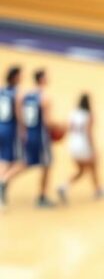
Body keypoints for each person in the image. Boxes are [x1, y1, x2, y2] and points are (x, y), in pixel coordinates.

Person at [0, 68, 58, 208]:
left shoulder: (25, 95)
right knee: (46, 164)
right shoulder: (44, 97)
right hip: (39, 136)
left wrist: (24, 131)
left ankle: (4, 180)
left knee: (24, 161)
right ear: (42, 79)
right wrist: (63, 126)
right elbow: (47, 122)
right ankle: (41, 197)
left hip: (24, 133)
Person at [57, 92, 104, 203]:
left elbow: (66, 128)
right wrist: (94, 148)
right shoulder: (89, 115)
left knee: (81, 170)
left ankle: (64, 186)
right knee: (93, 167)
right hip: (83, 145)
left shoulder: (73, 113)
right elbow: (89, 133)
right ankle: (98, 190)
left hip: (72, 144)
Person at [0, 65, 22, 205]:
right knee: (15, 161)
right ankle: (3, 182)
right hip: (10, 130)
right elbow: (19, 116)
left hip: (1, 126)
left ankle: (3, 183)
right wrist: (23, 132)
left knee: (4, 159)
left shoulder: (2, 91)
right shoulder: (17, 94)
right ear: (15, 77)